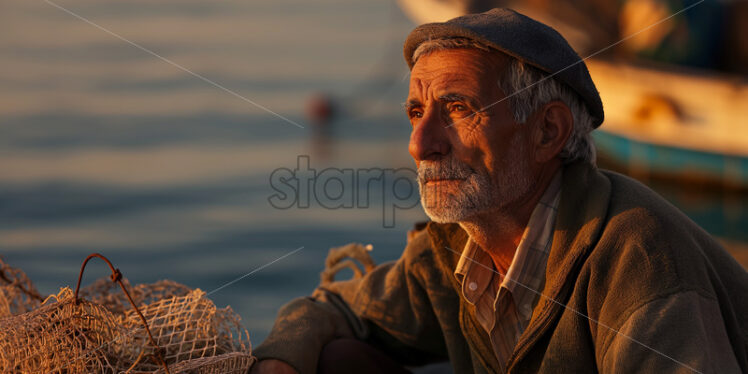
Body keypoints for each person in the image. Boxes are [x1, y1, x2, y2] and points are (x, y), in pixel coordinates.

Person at [251, 8, 748, 374]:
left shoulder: (636, 256)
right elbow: (333, 310)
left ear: (547, 133)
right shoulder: (457, 249)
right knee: (337, 360)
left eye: (460, 109)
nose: (420, 145)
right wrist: (280, 364)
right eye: (416, 112)